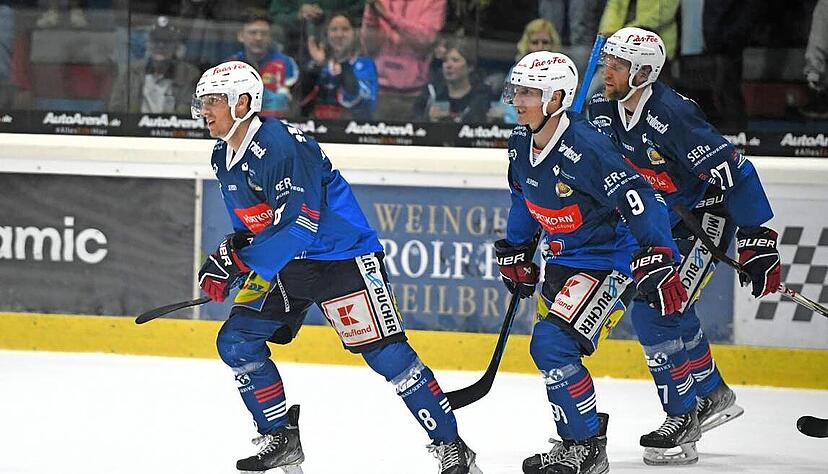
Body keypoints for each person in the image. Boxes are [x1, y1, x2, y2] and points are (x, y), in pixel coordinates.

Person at [190, 60, 482, 474]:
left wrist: (242, 259)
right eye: (203, 102)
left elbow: (300, 225)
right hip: (287, 263)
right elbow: (254, 229)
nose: (205, 111)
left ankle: (452, 447)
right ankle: (280, 437)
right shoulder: (223, 155)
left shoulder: (282, 144)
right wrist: (228, 257)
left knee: (388, 357)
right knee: (236, 341)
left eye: (214, 101)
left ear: (242, 102)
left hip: (341, 259)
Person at [588, 27, 781, 465]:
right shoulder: (602, 105)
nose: (606, 72)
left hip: (706, 214)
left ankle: (683, 417)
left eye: (616, 65)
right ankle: (711, 392)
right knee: (674, 302)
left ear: (642, 72)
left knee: (654, 307)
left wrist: (757, 239)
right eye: (606, 63)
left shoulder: (670, 115)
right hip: (664, 219)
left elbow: (738, 171)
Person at [496, 51, 688, 474]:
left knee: (551, 344)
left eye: (529, 92)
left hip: (607, 261)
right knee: (553, 351)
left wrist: (660, 253)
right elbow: (522, 198)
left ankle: (584, 447)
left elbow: (641, 197)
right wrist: (516, 248)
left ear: (557, 97)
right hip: (563, 259)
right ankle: (576, 440)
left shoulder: (586, 146)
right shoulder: (520, 142)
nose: (518, 100)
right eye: (518, 90)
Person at [361, 0, 445, 121]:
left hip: (415, 94)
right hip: (378, 92)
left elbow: (425, 39)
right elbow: (369, 47)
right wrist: (371, 12)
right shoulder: (379, 2)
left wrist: (387, 16)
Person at [109, 16, 200, 114]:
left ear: (176, 46)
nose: (160, 46)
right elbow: (115, 108)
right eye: (156, 41)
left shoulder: (190, 74)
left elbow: (195, 112)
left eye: (166, 42)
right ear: (148, 44)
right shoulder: (131, 72)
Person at [302, 12, 378, 119]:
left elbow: (360, 104)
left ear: (355, 34)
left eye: (345, 29)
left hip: (351, 130)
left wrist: (344, 64)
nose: (339, 35)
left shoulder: (365, 64)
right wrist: (318, 65)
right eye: (334, 29)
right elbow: (302, 101)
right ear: (326, 34)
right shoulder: (317, 64)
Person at [227, 10, 299, 118]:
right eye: (253, 33)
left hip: (277, 125)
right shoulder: (229, 66)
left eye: (264, 33)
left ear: (270, 37)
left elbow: (286, 104)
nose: (258, 38)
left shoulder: (286, 63)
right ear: (241, 36)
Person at [426, 38, 489, 123]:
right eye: (445, 61)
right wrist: (429, 120)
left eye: (455, 60)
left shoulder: (482, 97)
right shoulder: (432, 95)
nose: (448, 65)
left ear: (470, 67)